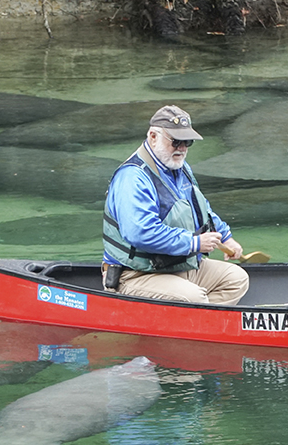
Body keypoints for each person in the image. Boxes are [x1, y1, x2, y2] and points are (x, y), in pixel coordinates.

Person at [102, 105, 249, 304]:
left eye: (188, 141)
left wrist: (226, 236)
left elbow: (200, 208)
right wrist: (194, 243)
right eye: (176, 141)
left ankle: (197, 326)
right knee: (194, 298)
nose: (182, 148)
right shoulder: (132, 177)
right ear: (153, 136)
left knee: (237, 279)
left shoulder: (178, 167)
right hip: (137, 274)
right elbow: (140, 232)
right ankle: (195, 322)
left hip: (178, 265)